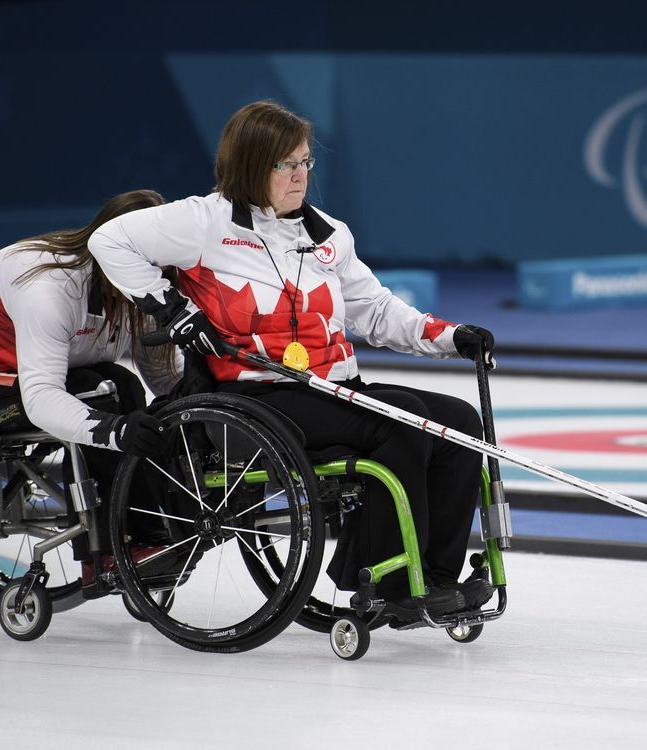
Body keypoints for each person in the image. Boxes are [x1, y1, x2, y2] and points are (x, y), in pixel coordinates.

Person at [88, 100, 497, 617]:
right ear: (252, 165)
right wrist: (174, 310)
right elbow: (110, 238)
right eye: (287, 165)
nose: (301, 175)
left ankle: (438, 577)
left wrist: (450, 336)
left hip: (331, 388)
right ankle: (389, 583)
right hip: (253, 397)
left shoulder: (327, 234)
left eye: (306, 162)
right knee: (402, 427)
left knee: (460, 422)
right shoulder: (203, 222)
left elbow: (374, 310)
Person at [0, 189, 182, 596]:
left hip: (35, 369)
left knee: (122, 386)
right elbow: (41, 398)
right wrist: (117, 432)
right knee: (97, 396)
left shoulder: (140, 284)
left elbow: (165, 381)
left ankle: (146, 535)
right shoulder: (48, 288)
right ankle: (103, 553)